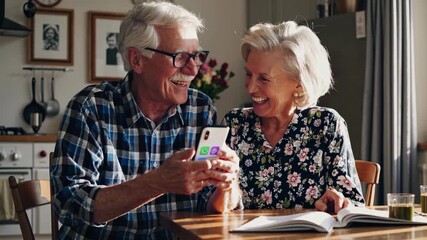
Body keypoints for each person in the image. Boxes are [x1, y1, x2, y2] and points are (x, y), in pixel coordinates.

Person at [51, 2, 241, 239]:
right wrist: (157, 182)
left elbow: (210, 208)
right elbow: (69, 206)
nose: (193, 69)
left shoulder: (201, 109)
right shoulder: (91, 107)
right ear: (137, 60)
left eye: (197, 56)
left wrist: (227, 185)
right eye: (180, 57)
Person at [222, 21, 364, 213]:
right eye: (248, 74)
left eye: (263, 78)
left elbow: (352, 206)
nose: (250, 87)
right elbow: (211, 209)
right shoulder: (235, 125)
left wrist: (338, 202)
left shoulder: (325, 125)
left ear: (299, 83)